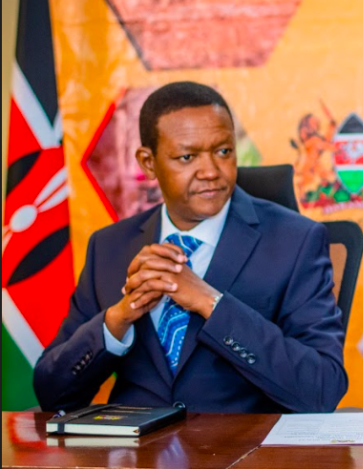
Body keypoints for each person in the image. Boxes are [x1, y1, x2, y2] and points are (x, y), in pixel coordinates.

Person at [34, 81, 347, 413]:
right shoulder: (109, 247)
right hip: (134, 459)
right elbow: (52, 393)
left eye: (223, 151)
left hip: (242, 455)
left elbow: (321, 389)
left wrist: (210, 302)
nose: (211, 171)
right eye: (187, 157)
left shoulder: (295, 241)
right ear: (148, 162)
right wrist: (117, 320)